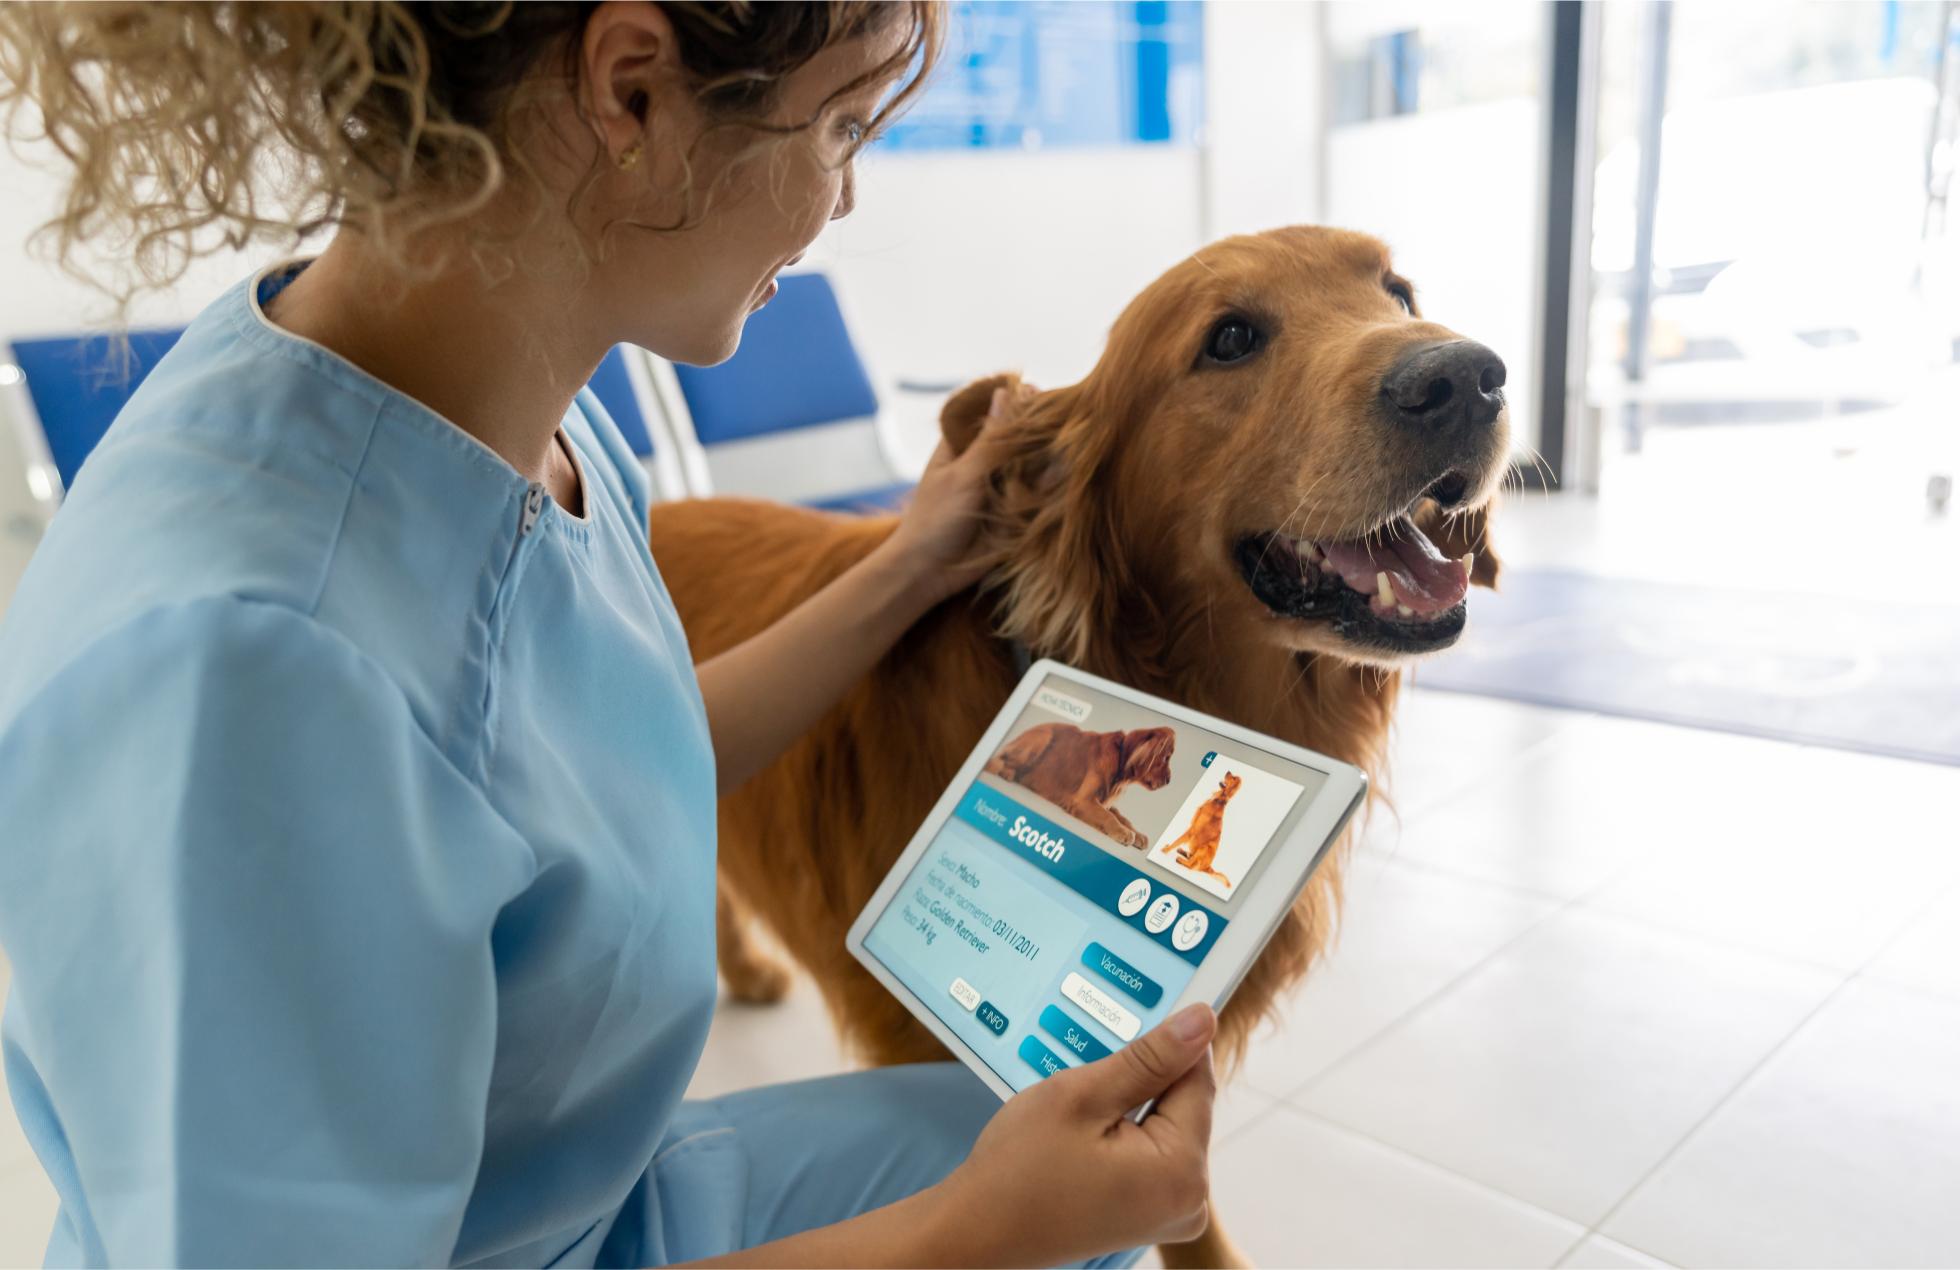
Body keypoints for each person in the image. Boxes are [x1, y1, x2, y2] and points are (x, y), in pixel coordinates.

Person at [0, 3, 1218, 1266]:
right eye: (841, 123)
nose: (844, 198)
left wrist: (910, 565)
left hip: (573, 1203)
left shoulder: (515, 414)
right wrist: (967, 1234)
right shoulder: (252, 672)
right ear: (632, 91)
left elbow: (584, 759)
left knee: (1052, 1149)